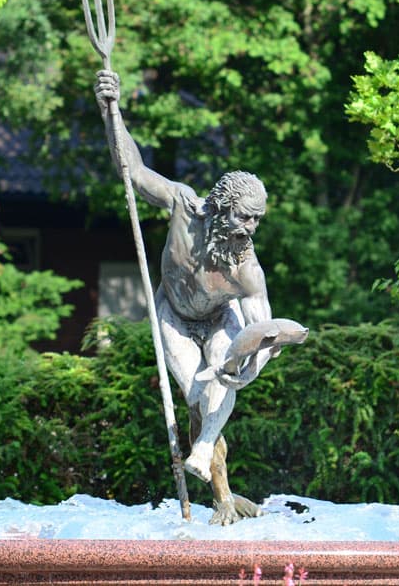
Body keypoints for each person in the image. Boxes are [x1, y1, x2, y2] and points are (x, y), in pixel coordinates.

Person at [95, 70, 281, 525]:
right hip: (175, 316)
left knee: (220, 384)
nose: (250, 228)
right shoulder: (183, 205)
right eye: (244, 217)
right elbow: (133, 172)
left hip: (220, 319)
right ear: (220, 206)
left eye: (257, 221)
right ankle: (221, 491)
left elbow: (262, 330)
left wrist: (251, 364)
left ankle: (207, 464)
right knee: (199, 396)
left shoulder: (247, 268)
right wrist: (110, 111)